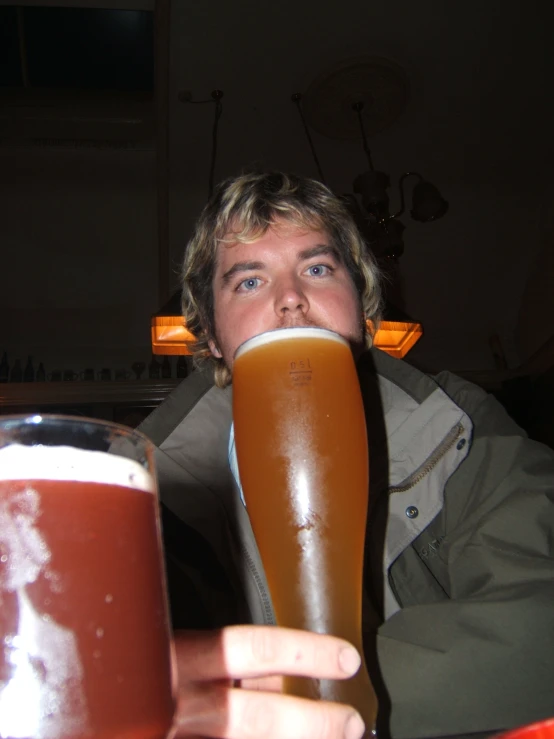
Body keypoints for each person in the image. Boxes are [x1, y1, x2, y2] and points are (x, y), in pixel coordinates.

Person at [140, 171, 554, 739]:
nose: (290, 299)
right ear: (211, 335)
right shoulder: (144, 488)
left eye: (317, 268)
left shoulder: (460, 427)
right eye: (249, 282)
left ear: (362, 307)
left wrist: (335, 697)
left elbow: (540, 622)